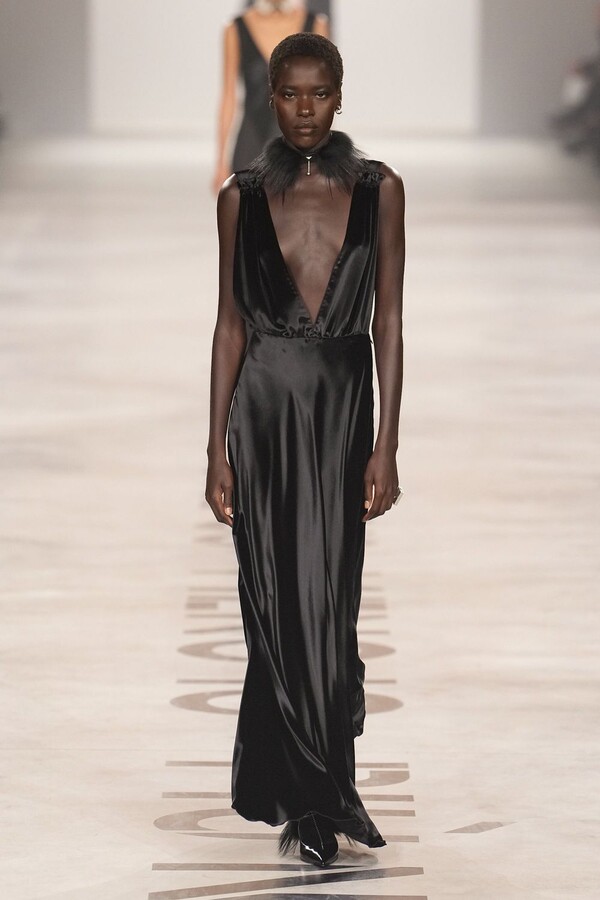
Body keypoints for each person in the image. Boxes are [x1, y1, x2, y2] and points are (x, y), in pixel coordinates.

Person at [206, 33, 405, 866]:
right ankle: (311, 803)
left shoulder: (380, 189)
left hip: (341, 410)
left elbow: (388, 320)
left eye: (318, 93)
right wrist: (215, 450)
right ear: (273, 98)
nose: (303, 110)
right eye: (289, 94)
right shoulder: (241, 196)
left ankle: (324, 785)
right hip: (263, 411)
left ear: (339, 95)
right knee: (273, 599)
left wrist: (386, 445)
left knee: (331, 600)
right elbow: (229, 324)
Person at [213, 1, 329, 193]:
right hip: (250, 143)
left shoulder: (316, 24)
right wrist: (220, 161)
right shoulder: (235, 28)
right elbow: (228, 96)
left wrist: (324, 155)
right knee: (247, 209)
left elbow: (322, 97)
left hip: (297, 147)